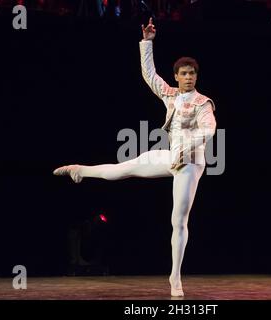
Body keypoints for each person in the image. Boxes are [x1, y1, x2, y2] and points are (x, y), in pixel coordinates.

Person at [53, 17, 216, 297]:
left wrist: (186, 148)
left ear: (196, 77)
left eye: (192, 74)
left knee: (179, 220)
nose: (189, 77)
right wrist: (147, 43)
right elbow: (150, 75)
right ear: (177, 76)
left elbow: (209, 130)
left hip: (190, 163)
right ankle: (80, 170)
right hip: (171, 157)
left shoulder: (203, 103)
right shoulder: (170, 95)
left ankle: (175, 278)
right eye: (184, 74)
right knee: (124, 168)